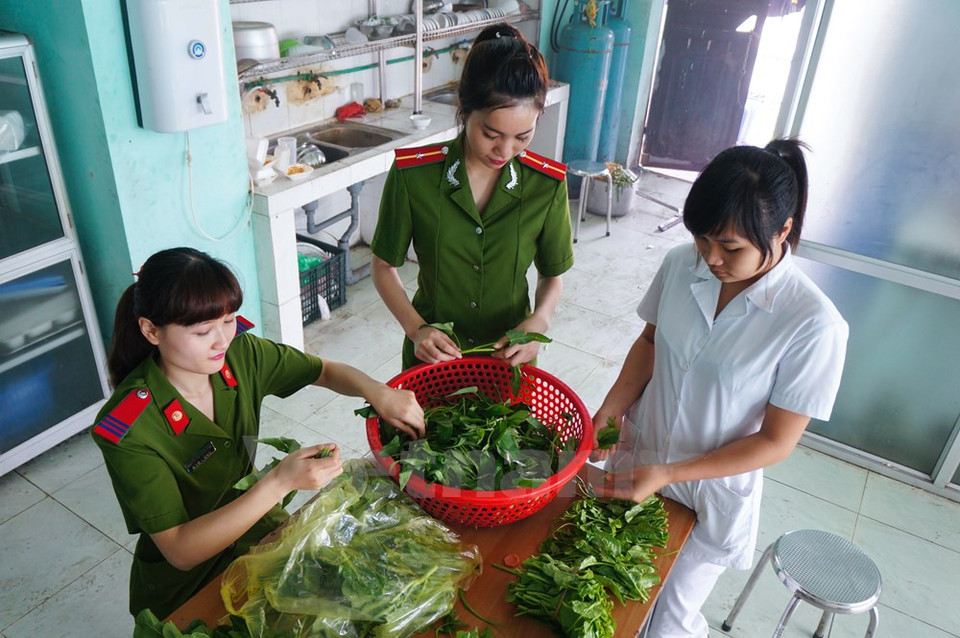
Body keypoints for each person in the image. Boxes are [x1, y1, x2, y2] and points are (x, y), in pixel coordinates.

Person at [591, 139, 848, 637]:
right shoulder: (679, 264)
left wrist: (668, 472)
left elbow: (776, 442)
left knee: (669, 618)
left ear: (783, 232)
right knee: (613, 594)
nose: (711, 258)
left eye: (730, 247)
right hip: (642, 457)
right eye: (702, 240)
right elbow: (650, 341)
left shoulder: (813, 324)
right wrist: (610, 408)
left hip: (710, 491)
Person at [91, 247, 424, 619]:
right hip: (188, 587)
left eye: (229, 320)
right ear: (151, 330)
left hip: (253, 534)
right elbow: (180, 550)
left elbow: (322, 370)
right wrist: (280, 482)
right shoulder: (127, 427)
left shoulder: (240, 354)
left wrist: (376, 391)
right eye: (202, 331)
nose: (222, 341)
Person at [370, 23, 574, 370]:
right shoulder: (414, 176)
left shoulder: (547, 185)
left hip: (510, 362)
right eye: (491, 134)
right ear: (465, 110)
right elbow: (382, 265)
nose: (505, 150)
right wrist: (415, 328)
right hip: (433, 360)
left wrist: (540, 321)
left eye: (523, 136)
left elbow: (552, 275)